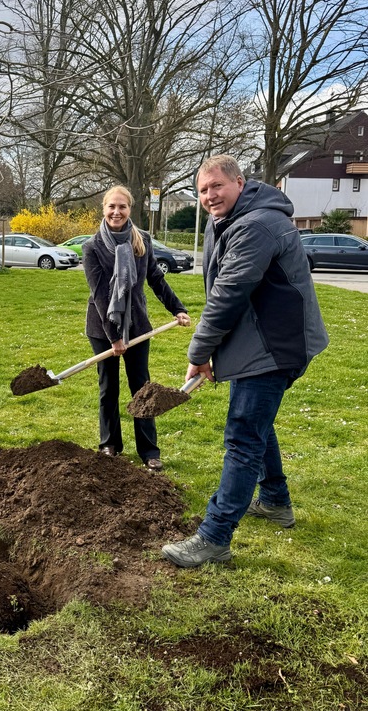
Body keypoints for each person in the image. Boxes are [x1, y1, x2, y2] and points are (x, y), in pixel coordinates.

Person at [162, 155, 329, 568]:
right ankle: (275, 500)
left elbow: (228, 294)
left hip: (275, 348)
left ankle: (214, 537)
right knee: (256, 424)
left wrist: (199, 353)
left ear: (239, 182)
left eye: (216, 186)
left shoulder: (256, 224)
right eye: (201, 190)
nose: (208, 196)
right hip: (260, 342)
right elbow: (228, 292)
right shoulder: (228, 221)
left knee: (242, 437)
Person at [83, 185, 191, 469]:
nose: (116, 212)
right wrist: (115, 337)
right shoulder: (92, 246)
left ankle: (149, 452)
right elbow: (100, 295)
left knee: (141, 388)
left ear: (130, 209)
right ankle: (109, 444)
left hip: (138, 326)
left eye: (122, 207)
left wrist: (177, 308)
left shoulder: (141, 240)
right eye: (111, 207)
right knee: (108, 388)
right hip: (102, 327)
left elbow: (155, 277)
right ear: (104, 209)